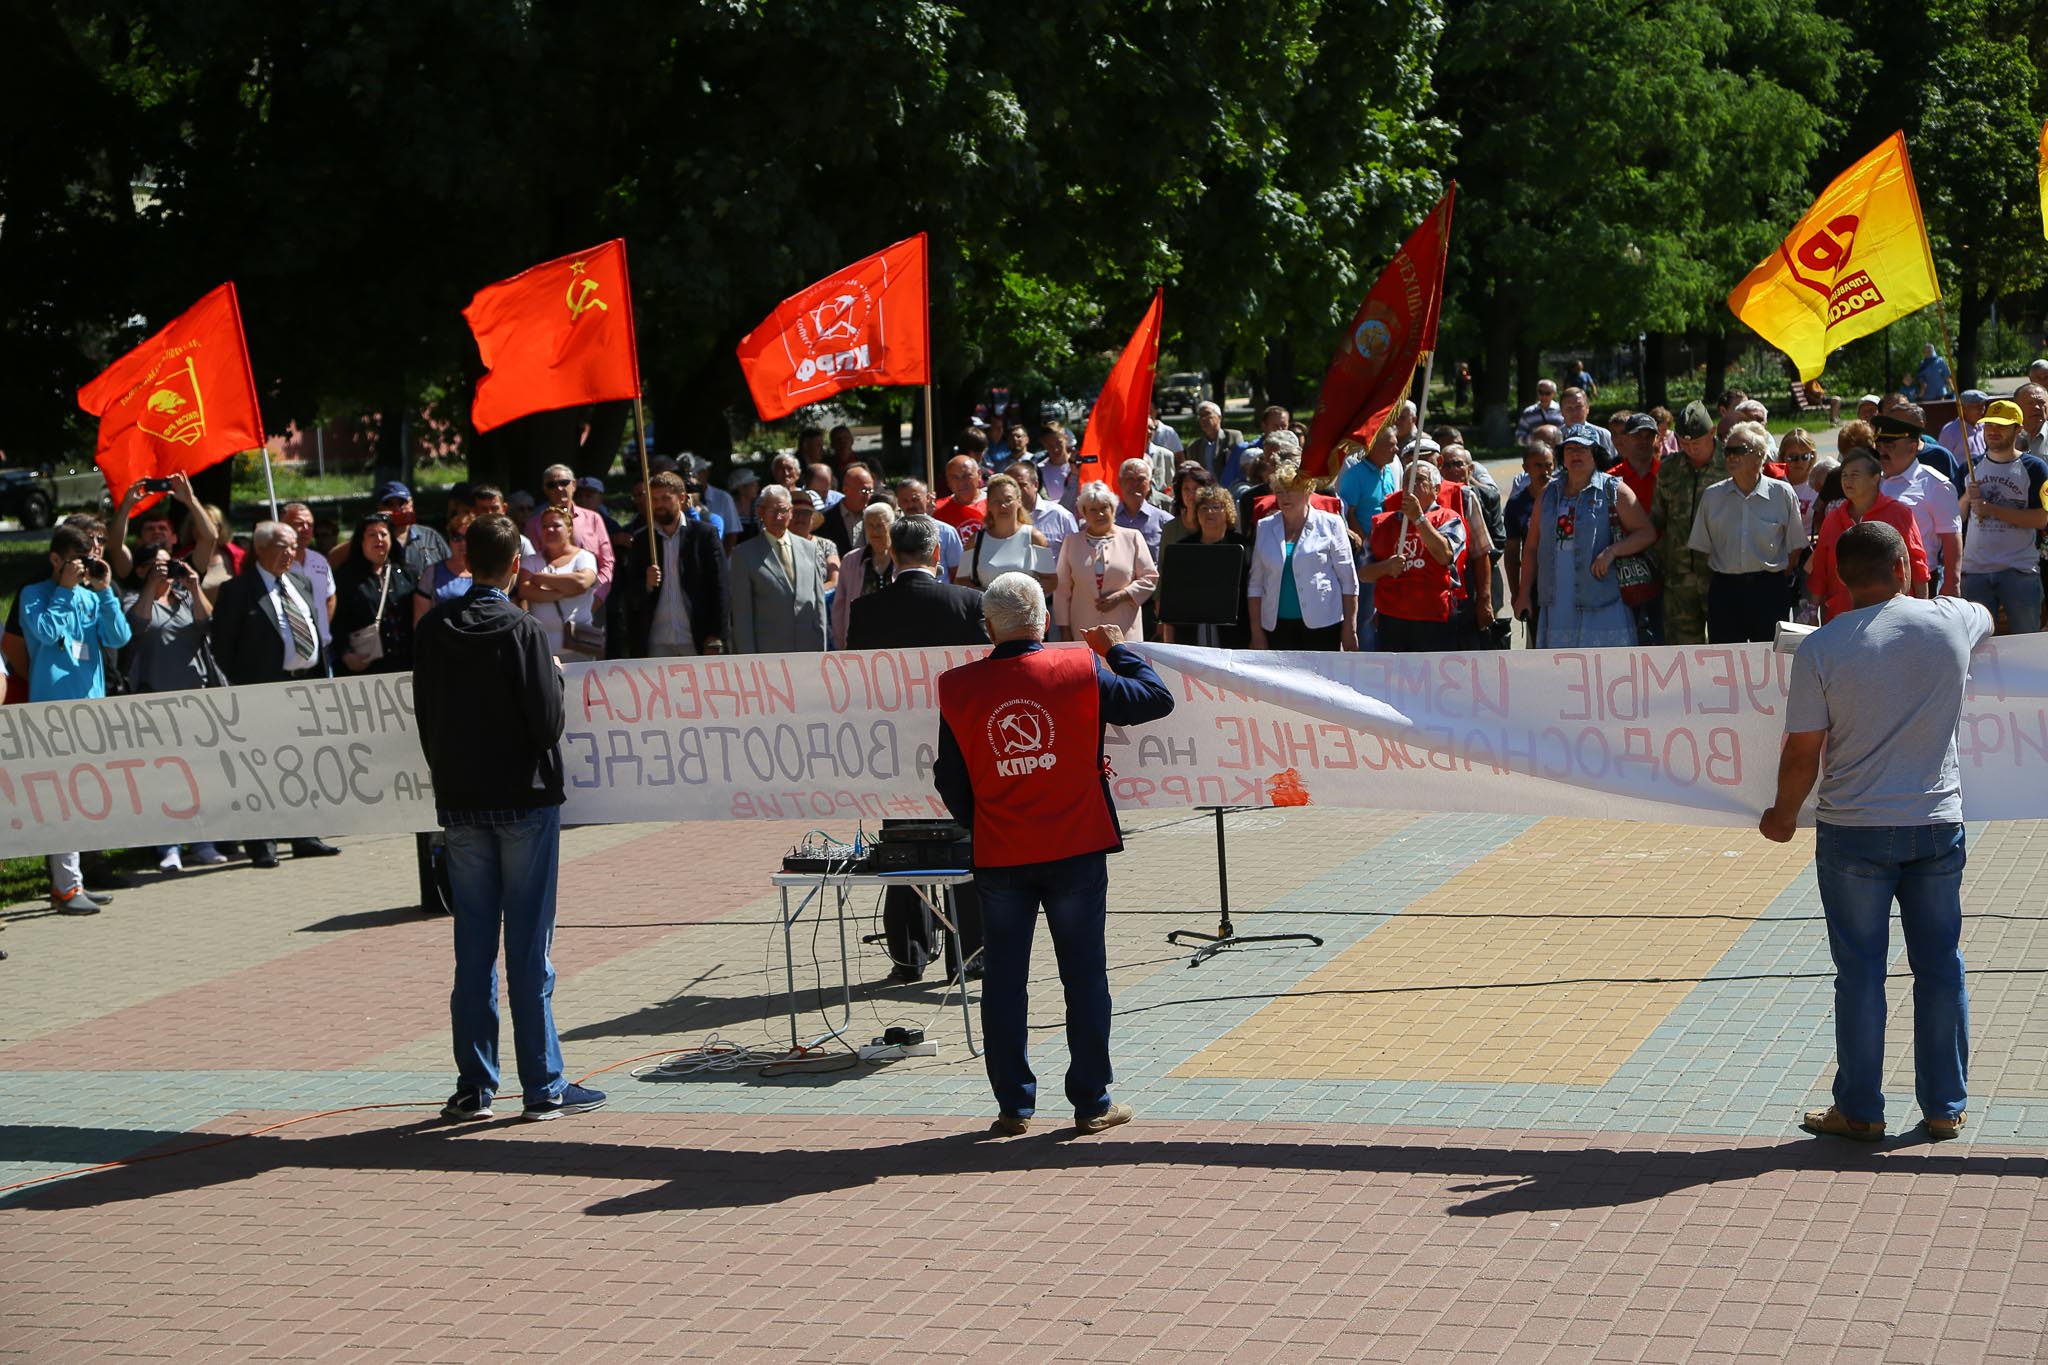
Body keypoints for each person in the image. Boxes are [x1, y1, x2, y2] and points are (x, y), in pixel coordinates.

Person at [1760, 520, 1990, 1143]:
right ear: (1904, 568)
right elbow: (1985, 613)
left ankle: (1860, 1108)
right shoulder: (1949, 621)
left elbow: (1802, 752)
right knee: (1940, 965)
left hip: (1853, 829)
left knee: (1859, 971)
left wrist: (1782, 816)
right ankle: (1945, 1105)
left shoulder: (1822, 649)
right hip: (1935, 822)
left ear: (1839, 579)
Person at [933, 574, 1174, 1135]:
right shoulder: (1079, 668)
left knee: (1003, 980)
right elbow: (1155, 700)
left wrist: (982, 819)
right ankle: (1091, 1101)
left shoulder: (957, 686)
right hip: (1075, 846)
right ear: (1044, 620)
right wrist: (1117, 649)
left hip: (1002, 852)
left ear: (989, 627)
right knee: (1084, 977)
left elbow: (950, 778)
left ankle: (1013, 1106)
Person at [414, 514, 606, 1124]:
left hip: (463, 801)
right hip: (523, 800)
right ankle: (543, 1085)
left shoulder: (436, 625)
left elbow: (424, 714)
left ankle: (474, 1085)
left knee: (473, 945)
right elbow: (548, 725)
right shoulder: (523, 629)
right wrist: (552, 679)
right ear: (516, 566)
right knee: (528, 947)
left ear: (467, 561)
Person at [21, 524, 132, 912]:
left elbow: (118, 637)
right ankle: (66, 887)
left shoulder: (89, 596)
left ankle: (75, 880)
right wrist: (65, 590)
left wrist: (104, 593)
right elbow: (47, 633)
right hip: (52, 714)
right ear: (55, 559)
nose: (82, 571)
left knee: (83, 798)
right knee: (59, 802)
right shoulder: (34, 596)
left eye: (86, 564)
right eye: (74, 563)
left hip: (90, 708)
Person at [123, 539, 220, 871]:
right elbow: (136, 626)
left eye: (169, 564)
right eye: (158, 565)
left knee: (198, 773)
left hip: (196, 698)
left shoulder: (186, 596)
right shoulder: (134, 598)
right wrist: (152, 584)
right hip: (156, 701)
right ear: (141, 570)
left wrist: (193, 584)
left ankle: (203, 841)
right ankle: (169, 846)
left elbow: (210, 624)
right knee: (166, 776)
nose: (167, 571)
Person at [1519, 426, 1654, 648]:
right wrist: (1524, 594)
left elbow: (1646, 533)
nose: (1575, 454)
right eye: (1569, 449)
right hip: (1556, 600)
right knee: (1561, 670)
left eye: (1582, 449)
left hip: (1602, 597)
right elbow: (1532, 547)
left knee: (1605, 670)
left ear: (1596, 454)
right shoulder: (1548, 493)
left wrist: (1612, 551)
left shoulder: (1614, 489)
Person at [1688, 420, 1805, 643]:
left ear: (1760, 456)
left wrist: (1768, 577)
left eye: (1739, 451)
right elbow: (1704, 549)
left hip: (1769, 590)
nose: (1731, 457)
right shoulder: (1712, 496)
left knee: (1770, 660)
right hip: (1725, 591)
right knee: (1725, 663)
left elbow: (1794, 549)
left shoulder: (1782, 494)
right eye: (1727, 451)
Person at [610, 470, 728, 657]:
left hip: (696, 638)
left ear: (681, 498)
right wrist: (646, 585)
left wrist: (717, 636)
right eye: (654, 499)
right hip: (656, 641)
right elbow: (631, 593)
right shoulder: (642, 540)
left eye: (665, 498)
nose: (659, 505)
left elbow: (719, 587)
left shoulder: (704, 535)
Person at [1957, 399, 2048, 633]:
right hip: (1975, 571)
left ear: (2018, 429)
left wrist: (1992, 509)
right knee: (1979, 647)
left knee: (2025, 642)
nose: (1993, 431)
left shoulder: (2036, 468)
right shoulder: (1968, 466)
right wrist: (1967, 498)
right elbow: (1955, 520)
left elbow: (2041, 519)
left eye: (2001, 425)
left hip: (2019, 570)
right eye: (1989, 426)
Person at [1806, 449, 1929, 622]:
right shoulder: (1833, 519)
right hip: (1843, 615)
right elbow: (1820, 569)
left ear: (1875, 478)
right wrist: (1812, 611)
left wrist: (1922, 610)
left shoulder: (1899, 513)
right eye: (1844, 475)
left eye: (1855, 475)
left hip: (1893, 616)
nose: (1847, 481)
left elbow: (1918, 565)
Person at [1249, 459, 1359, 651]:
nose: (1284, 497)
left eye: (1291, 490)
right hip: (1276, 627)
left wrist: (1350, 628)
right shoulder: (1264, 526)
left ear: (1308, 490)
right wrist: (1256, 633)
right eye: (1280, 491)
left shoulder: (1332, 524)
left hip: (1324, 626)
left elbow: (1348, 580)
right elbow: (1255, 585)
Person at [1362, 460, 1462, 652]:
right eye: (1407, 480)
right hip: (1392, 620)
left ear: (1436, 489)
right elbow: (1364, 573)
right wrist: (1386, 567)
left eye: (1419, 480)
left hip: (1433, 618)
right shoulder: (1382, 524)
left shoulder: (1449, 519)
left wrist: (1418, 519)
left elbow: (1444, 556)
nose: (1411, 485)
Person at [1650, 401, 1729, 645]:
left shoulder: (1730, 465)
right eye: (1684, 444)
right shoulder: (1669, 469)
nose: (1690, 449)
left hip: (1720, 576)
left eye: (1696, 443)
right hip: (1679, 578)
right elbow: (1658, 519)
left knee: (1723, 648)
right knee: (1683, 652)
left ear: (1713, 433)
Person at [729, 484, 829, 653]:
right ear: (761, 512)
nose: (779, 517)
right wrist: (748, 660)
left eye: (783, 511)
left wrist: (822, 650)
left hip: (808, 649)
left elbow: (819, 607)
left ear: (790, 512)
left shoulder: (810, 549)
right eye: (772, 511)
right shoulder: (744, 554)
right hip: (768, 653)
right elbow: (742, 617)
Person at [1874, 412, 1964, 595]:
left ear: (1912, 447)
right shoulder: (1874, 480)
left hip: (1919, 580)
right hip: (1874, 578)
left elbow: (1951, 536)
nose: (1882, 452)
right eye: (1879, 445)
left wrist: (1952, 583)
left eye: (1890, 446)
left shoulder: (1935, 484)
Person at [1055, 482, 1157, 642]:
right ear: (1084, 513)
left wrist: (1122, 595)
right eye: (1093, 510)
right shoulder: (1071, 542)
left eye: (1104, 508)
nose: (1099, 514)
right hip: (1083, 630)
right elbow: (1062, 590)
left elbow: (1150, 578)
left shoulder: (1132, 537)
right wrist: (1065, 631)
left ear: (1113, 509)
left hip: (1124, 630)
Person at [1159, 485, 1253, 648]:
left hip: (1236, 635)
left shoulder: (1244, 546)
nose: (1209, 512)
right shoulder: (1183, 548)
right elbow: (1171, 598)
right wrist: (1169, 640)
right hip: (1190, 634)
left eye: (1216, 507)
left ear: (1227, 511)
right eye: (1204, 507)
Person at [334, 513, 420, 675]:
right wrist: (346, 654)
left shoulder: (408, 573)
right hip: (367, 667)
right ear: (361, 541)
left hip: (407, 664)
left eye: (383, 534)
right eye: (372, 535)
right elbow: (336, 621)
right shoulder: (346, 578)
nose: (379, 539)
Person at [520, 504, 603, 663]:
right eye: (545, 526)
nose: (549, 530)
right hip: (544, 647)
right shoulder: (531, 561)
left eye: (556, 525)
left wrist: (540, 579)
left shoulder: (585, 557)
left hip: (579, 644)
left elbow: (581, 582)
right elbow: (525, 590)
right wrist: (564, 590)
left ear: (569, 529)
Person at [524, 464, 616, 601]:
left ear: (573, 485)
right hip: (549, 603)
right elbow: (531, 569)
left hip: (592, 600)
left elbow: (607, 561)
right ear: (545, 489)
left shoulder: (594, 519)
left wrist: (597, 596)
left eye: (563, 483)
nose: (559, 488)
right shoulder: (534, 524)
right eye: (552, 485)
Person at [1504, 440, 1554, 645]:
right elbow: (1512, 554)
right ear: (1526, 468)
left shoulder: (1566, 496)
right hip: (1534, 584)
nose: (1545, 471)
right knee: (1539, 641)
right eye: (1538, 465)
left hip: (1564, 579)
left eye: (1549, 465)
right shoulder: (1517, 505)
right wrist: (1517, 594)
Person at [959, 473, 1048, 589]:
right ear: (988, 505)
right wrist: (989, 597)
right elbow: (960, 581)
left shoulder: (1035, 538)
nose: (1003, 506)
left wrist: (1022, 596)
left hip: (1025, 606)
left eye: (1008, 500)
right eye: (996, 501)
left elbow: (1051, 580)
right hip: (986, 606)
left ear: (1019, 502)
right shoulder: (975, 541)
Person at [831, 501, 898, 647]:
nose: (874, 531)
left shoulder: (902, 558)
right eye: (869, 525)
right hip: (860, 638)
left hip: (896, 636)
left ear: (892, 526)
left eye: (880, 525)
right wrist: (842, 643)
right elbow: (840, 606)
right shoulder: (851, 560)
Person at [372, 481, 452, 582]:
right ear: (380, 508)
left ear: (411, 505)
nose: (396, 509)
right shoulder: (374, 540)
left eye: (402, 503)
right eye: (389, 504)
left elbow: (452, 567)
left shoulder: (431, 536)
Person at [893, 478, 966, 577]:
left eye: (915, 499)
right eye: (905, 501)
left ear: (927, 498)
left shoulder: (947, 532)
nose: (910, 505)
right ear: (898, 502)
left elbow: (957, 572)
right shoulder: (893, 532)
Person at [414, 508, 476, 623]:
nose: (463, 543)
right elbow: (420, 622)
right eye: (457, 537)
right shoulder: (432, 572)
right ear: (449, 539)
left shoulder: (486, 571)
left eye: (468, 537)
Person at [1007, 460, 1077, 557]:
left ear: (1036, 485)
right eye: (1011, 486)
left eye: (1021, 485)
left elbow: (1076, 556)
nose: (1016, 490)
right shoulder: (1001, 518)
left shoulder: (1060, 516)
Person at [934, 454, 988, 539]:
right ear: (948, 481)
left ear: (979, 474)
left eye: (967, 476)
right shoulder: (936, 509)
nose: (961, 482)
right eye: (955, 477)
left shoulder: (994, 504)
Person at [1186, 401, 1243, 477]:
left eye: (1207, 414)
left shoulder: (1233, 437)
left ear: (1219, 417)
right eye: (1200, 416)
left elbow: (1241, 465)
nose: (1203, 419)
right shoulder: (1194, 447)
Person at [1940, 391, 1990, 469]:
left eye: (1983, 405)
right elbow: (1943, 459)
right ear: (1964, 408)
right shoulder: (1950, 430)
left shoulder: (1984, 426)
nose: (1982, 410)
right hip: (1962, 476)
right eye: (1977, 406)